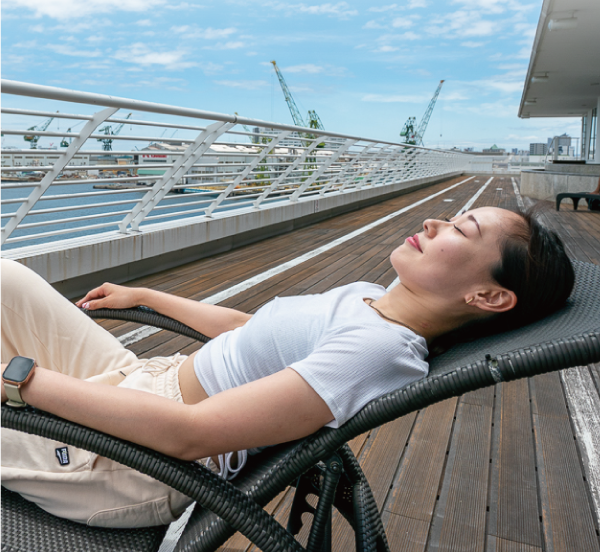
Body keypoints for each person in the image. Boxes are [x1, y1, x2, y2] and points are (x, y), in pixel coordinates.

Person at [0, 206, 574, 528]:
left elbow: (189, 434)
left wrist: (22, 380)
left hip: (131, 460)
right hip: (143, 383)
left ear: (490, 297)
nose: (432, 225)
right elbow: (250, 332)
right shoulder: (367, 298)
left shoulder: (379, 352)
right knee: (8, 277)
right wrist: (145, 294)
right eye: (451, 218)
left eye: (460, 231)